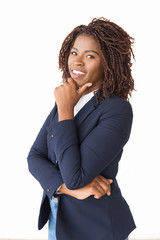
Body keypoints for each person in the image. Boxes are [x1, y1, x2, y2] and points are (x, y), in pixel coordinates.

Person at [27, 17, 136, 240]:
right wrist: (64, 188)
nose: (77, 62)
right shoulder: (68, 99)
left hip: (98, 227)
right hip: (60, 221)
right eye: (74, 52)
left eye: (90, 56)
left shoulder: (117, 110)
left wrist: (65, 110)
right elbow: (34, 157)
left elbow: (75, 176)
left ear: (107, 63)